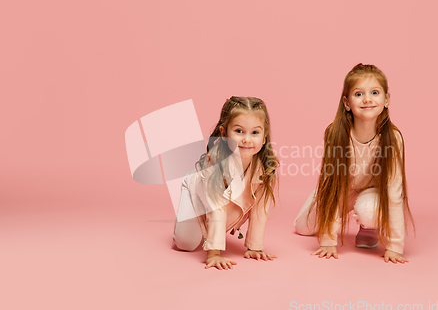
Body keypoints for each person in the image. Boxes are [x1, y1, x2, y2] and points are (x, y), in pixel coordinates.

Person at [294, 63, 414, 264]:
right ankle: (317, 200)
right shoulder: (335, 134)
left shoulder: (393, 138)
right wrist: (328, 240)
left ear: (386, 99)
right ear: (347, 102)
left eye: (374, 92)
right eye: (359, 94)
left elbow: (394, 193)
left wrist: (394, 246)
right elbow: (332, 186)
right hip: (341, 190)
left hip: (372, 192)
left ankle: (369, 227)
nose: (367, 99)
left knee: (368, 210)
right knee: (302, 227)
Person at [173, 96, 279, 270]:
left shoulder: (265, 167)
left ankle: (213, 234)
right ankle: (189, 181)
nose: (247, 139)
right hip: (198, 189)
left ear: (265, 137)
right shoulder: (215, 164)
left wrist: (255, 247)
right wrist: (214, 253)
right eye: (239, 131)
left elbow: (261, 208)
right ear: (223, 133)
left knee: (222, 221)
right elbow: (217, 206)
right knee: (186, 244)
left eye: (255, 133)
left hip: (225, 201)